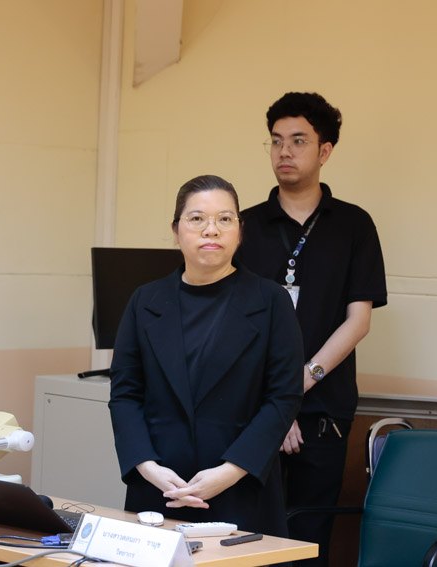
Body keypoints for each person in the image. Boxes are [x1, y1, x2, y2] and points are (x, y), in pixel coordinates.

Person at [236, 92, 388, 565]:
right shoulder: (243, 226)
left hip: (324, 411)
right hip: (250, 411)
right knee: (245, 540)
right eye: (276, 140)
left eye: (298, 140)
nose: (284, 151)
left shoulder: (354, 225)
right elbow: (233, 325)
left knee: (308, 542)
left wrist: (295, 388)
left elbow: (358, 321)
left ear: (325, 151)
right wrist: (275, 406)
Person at [108, 174, 304, 537]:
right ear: (176, 230)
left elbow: (283, 398)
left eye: (225, 219)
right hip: (160, 489)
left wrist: (229, 472)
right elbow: (124, 395)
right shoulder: (145, 301)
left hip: (241, 488)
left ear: (239, 231)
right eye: (197, 218)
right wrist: (148, 468)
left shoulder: (271, 301)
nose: (211, 229)